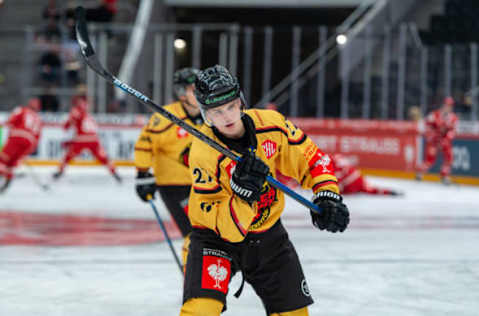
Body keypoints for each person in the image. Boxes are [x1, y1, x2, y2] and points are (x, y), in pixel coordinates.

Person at [180, 65, 350, 315]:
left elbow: (312, 159)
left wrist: (326, 194)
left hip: (268, 237)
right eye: (217, 112)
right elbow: (223, 225)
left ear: (240, 102)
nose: (226, 117)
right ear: (206, 115)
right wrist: (242, 195)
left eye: (230, 106)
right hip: (217, 240)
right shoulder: (203, 151)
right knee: (200, 311)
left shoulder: (271, 125)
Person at [134, 68, 202, 267]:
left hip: (205, 185)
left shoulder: (211, 115)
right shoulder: (166, 116)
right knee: (195, 233)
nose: (200, 93)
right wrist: (143, 173)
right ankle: (194, 276)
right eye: (194, 89)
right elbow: (145, 143)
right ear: (181, 93)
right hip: (176, 186)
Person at [52, 94, 121, 182]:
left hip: (81, 139)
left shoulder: (76, 110)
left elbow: (68, 124)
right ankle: (114, 172)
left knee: (67, 156)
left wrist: (66, 127)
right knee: (103, 158)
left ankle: (60, 172)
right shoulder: (87, 113)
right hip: (94, 139)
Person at [0, 98, 42, 193]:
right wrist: (29, 149)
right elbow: (38, 137)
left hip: (17, 137)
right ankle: (7, 179)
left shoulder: (22, 110)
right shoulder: (39, 119)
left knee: (2, 160)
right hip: (29, 143)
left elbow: (10, 121)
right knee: (11, 164)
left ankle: (9, 175)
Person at [416, 96, 458, 184]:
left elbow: (454, 130)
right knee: (430, 159)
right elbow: (426, 125)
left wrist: (447, 139)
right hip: (434, 141)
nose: (448, 107)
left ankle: (444, 175)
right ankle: (420, 172)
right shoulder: (434, 115)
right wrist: (431, 136)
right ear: (443, 105)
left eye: (450, 106)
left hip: (445, 141)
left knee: (449, 157)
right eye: (447, 105)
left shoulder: (453, 118)